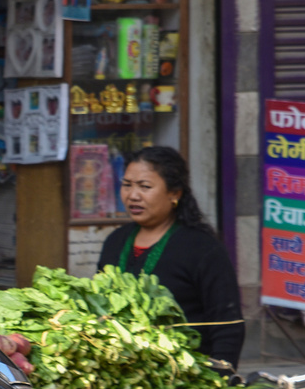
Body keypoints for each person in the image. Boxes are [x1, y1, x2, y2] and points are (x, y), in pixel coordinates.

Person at [96, 146, 244, 368]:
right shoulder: (116, 241)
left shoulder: (202, 248)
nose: (133, 195)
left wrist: (220, 376)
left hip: (185, 374)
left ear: (174, 193)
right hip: (122, 371)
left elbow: (228, 324)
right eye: (127, 185)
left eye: (145, 187)